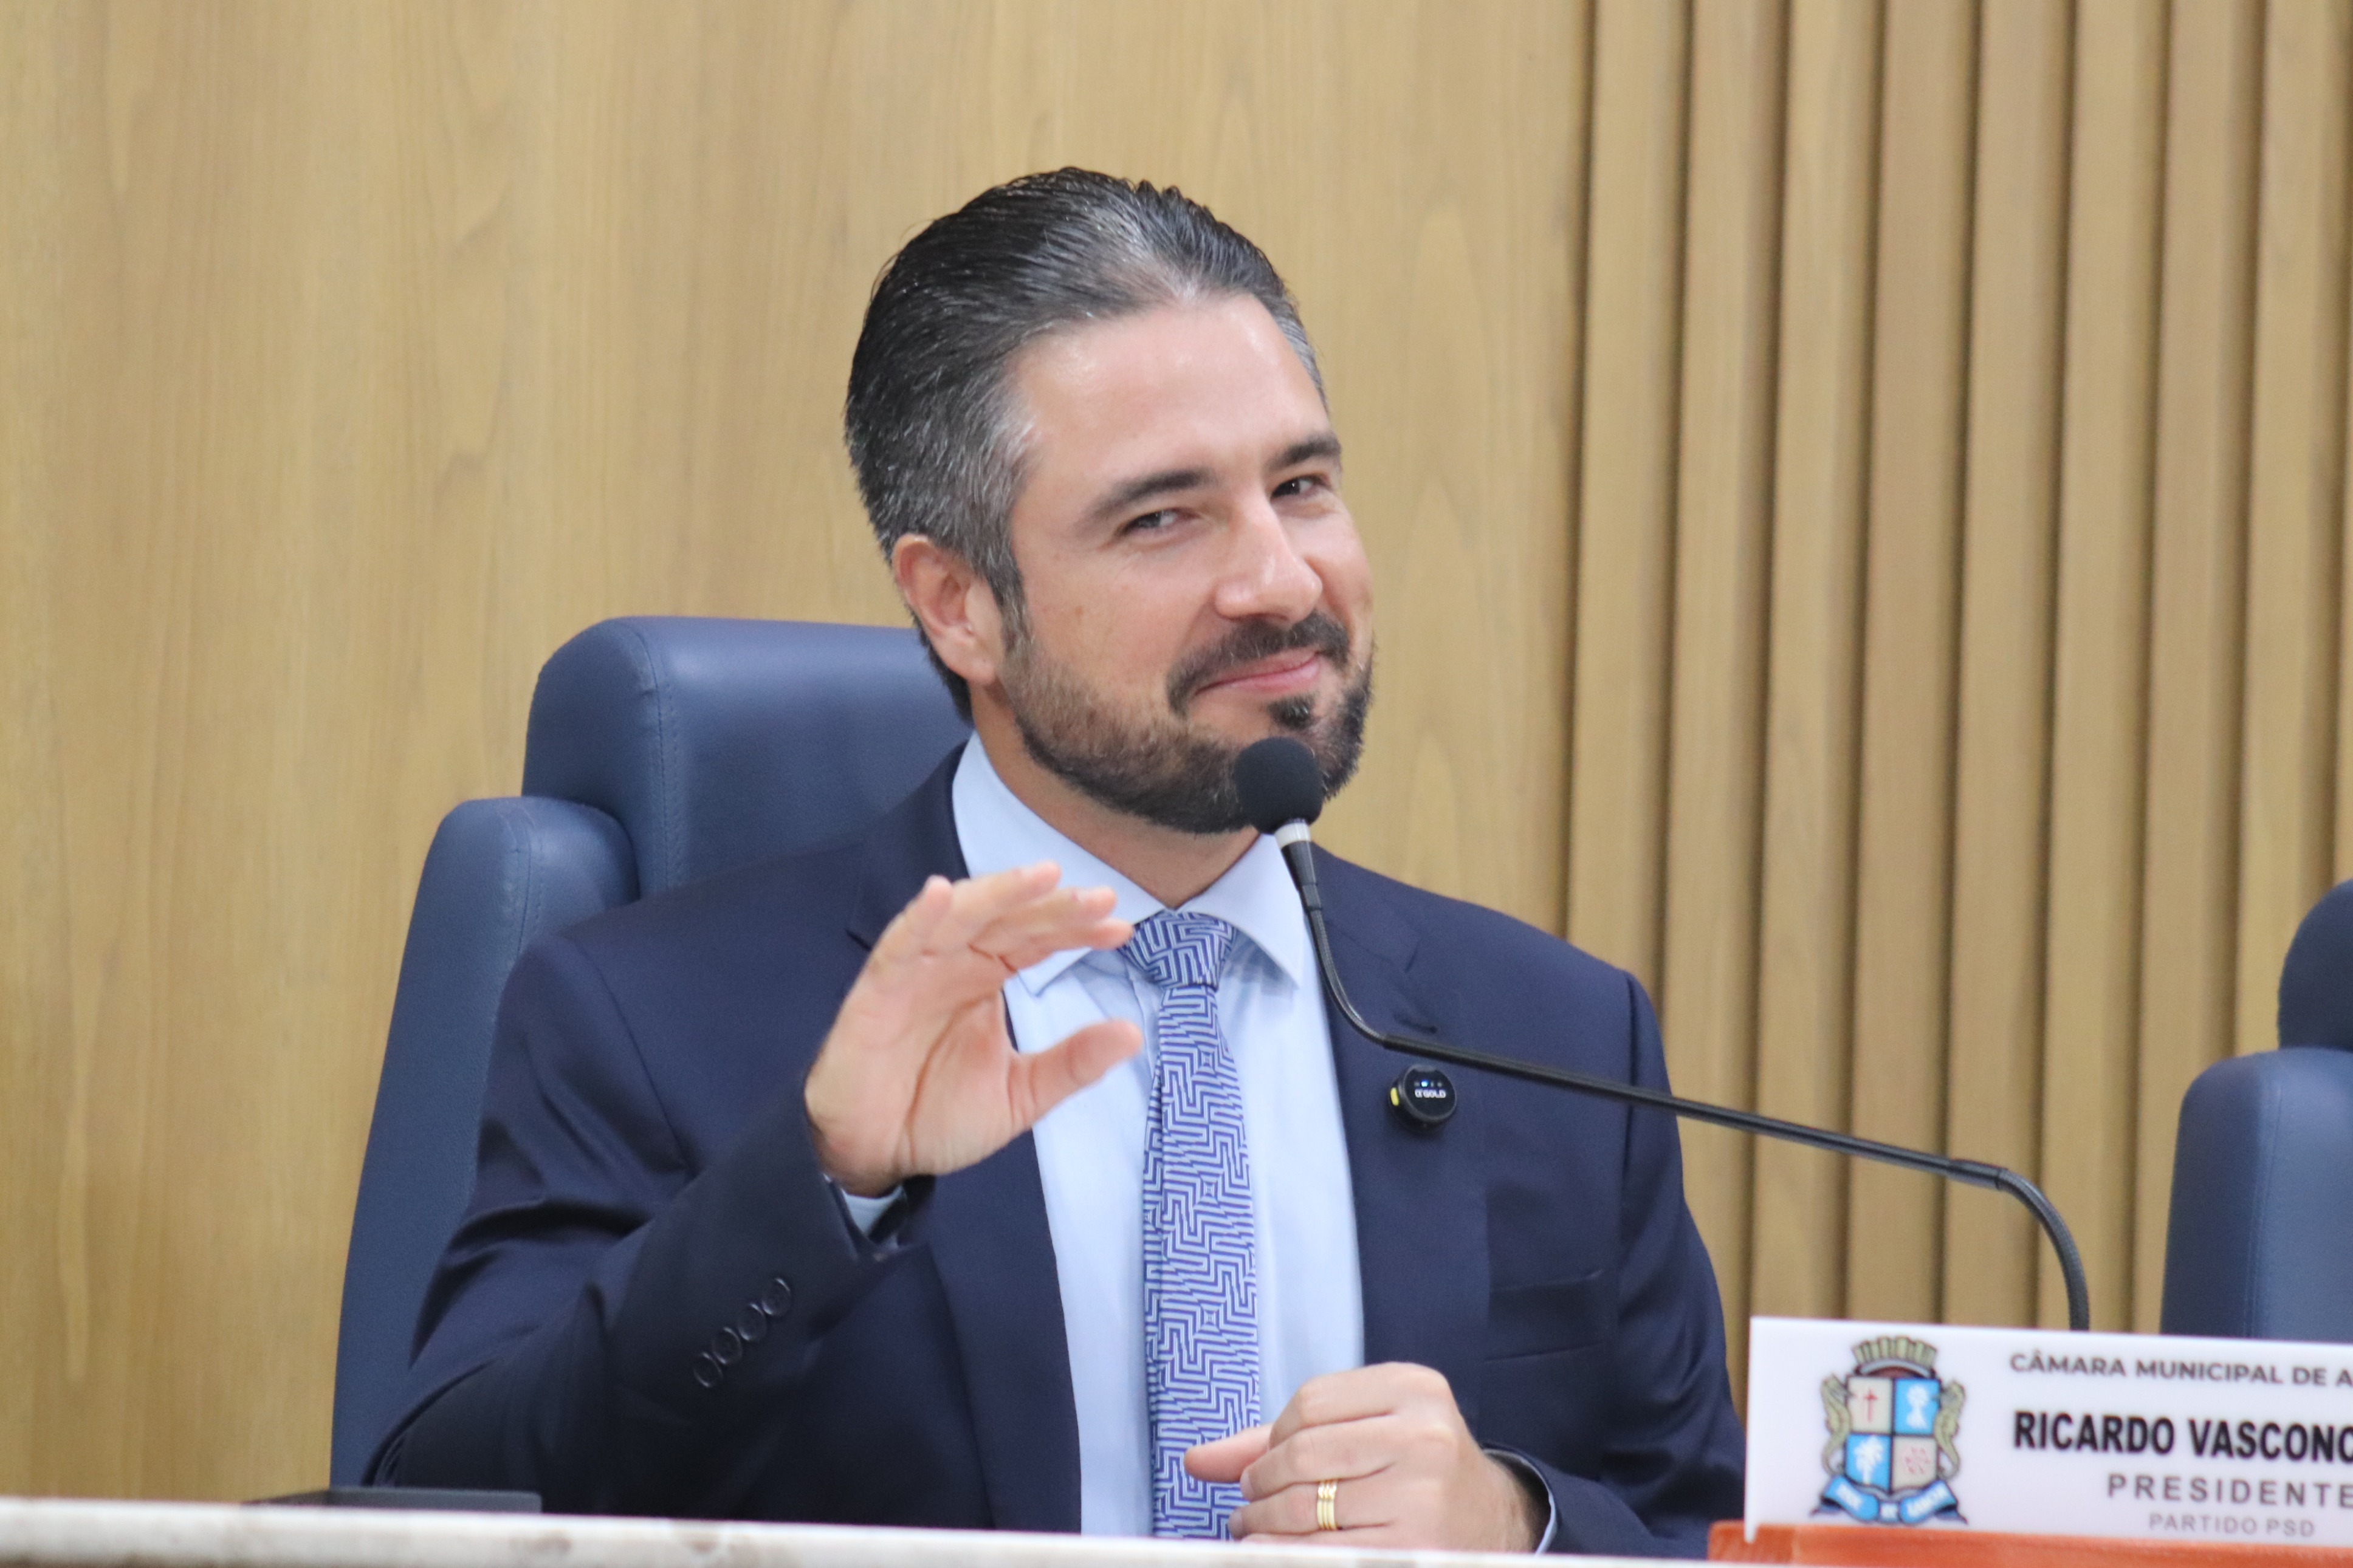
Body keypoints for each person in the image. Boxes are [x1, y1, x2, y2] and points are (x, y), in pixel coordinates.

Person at [374, 169, 1742, 1556]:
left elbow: (1702, 1529)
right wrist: (822, 1183)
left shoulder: (1558, 1040)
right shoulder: (647, 1019)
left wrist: (1519, 1524)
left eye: (1301, 486)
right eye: (1163, 518)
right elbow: (444, 1502)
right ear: (958, 604)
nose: (1280, 579)